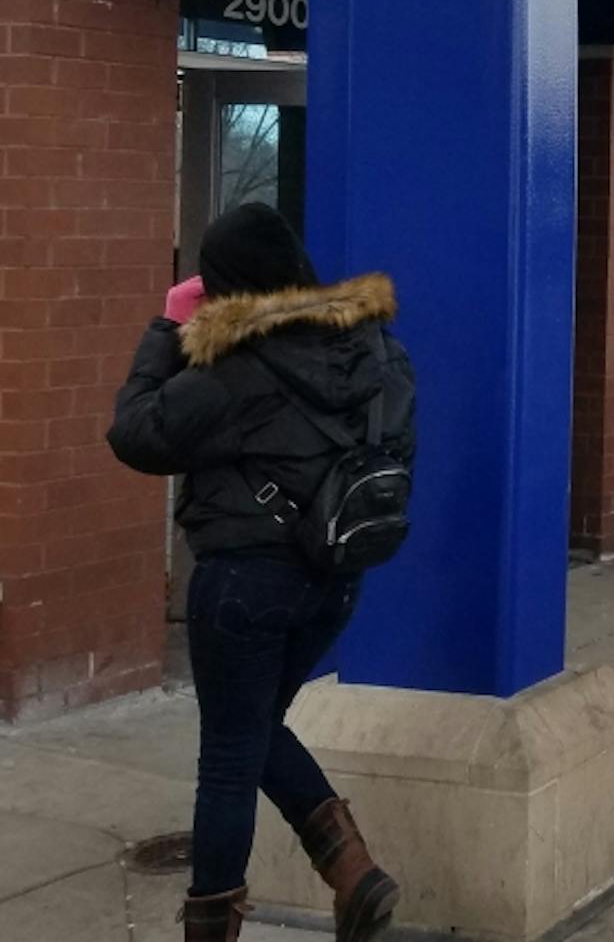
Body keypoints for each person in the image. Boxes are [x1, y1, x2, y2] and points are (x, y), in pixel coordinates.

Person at [109, 204, 413, 942]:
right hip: (336, 578)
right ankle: (352, 873)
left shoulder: (237, 366)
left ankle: (216, 923)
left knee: (229, 756)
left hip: (246, 582)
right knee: (252, 728)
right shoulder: (379, 352)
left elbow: (137, 433)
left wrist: (166, 327)